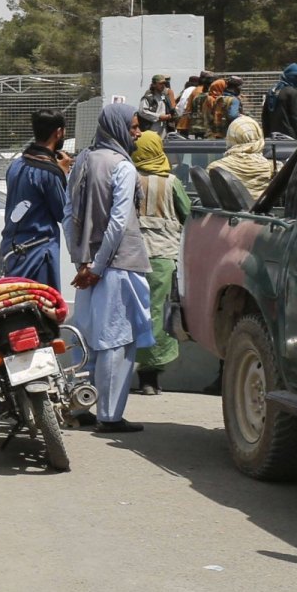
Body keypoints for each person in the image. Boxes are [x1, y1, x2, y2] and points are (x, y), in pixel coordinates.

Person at [64, 103, 154, 434]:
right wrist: (98, 266)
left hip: (89, 266)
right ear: (117, 128)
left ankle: (80, 406)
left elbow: (67, 214)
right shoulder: (123, 167)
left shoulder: (83, 161)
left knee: (88, 338)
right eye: (133, 127)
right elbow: (119, 223)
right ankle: (110, 415)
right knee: (118, 340)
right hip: (117, 265)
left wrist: (82, 260)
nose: (138, 133)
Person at [131, 132, 191, 395]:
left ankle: (132, 371)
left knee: (133, 312)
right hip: (164, 256)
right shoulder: (171, 182)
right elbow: (188, 213)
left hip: (131, 256)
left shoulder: (128, 177)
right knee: (158, 312)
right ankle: (151, 377)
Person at [0, 109, 72, 287]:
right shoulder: (48, 172)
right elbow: (63, 213)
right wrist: (63, 174)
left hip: (11, 248)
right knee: (42, 307)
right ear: (59, 132)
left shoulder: (16, 165)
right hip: (38, 253)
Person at [207, 115, 275, 202]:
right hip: (263, 214)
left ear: (231, 136)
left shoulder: (215, 168)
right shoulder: (272, 168)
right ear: (258, 134)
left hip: (227, 215)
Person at [262, 62, 297, 139]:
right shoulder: (291, 92)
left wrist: (266, 135)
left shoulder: (271, 91)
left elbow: (265, 116)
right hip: (289, 137)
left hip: (273, 136)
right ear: (292, 77)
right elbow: (296, 117)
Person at [186, 72, 216, 138]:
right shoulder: (210, 98)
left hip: (196, 127)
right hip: (206, 128)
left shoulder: (196, 96)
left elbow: (190, 110)